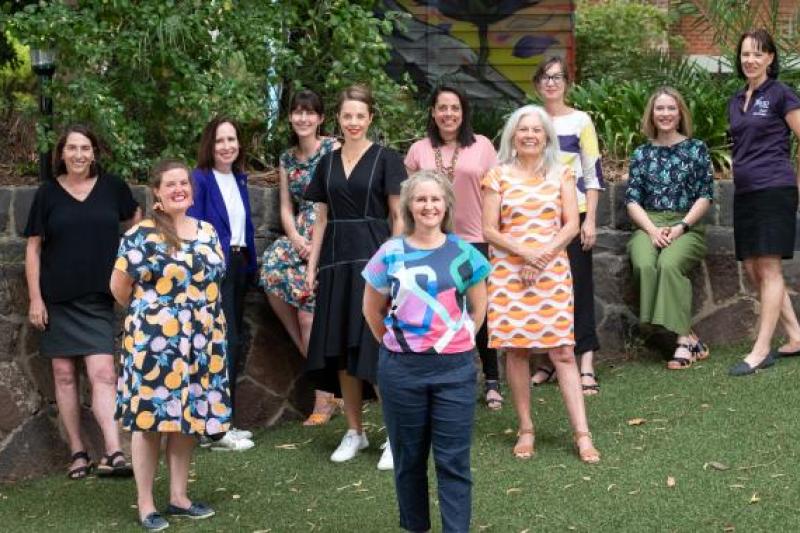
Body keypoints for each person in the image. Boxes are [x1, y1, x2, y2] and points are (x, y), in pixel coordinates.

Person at [363, 170, 490, 533]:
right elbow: (371, 311)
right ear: (409, 206)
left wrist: (456, 340)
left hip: (455, 372)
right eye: (421, 199)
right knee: (409, 461)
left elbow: (478, 309)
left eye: (435, 199)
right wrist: (399, 345)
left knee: (453, 462)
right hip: (401, 372)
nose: (429, 206)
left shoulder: (464, 252)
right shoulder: (390, 253)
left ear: (447, 204)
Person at [111, 159, 230, 530]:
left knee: (186, 419)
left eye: (184, 183)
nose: (179, 188)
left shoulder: (208, 231)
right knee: (149, 422)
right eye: (171, 184)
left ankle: (179, 497)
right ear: (157, 194)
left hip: (202, 339)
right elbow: (118, 288)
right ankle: (146, 504)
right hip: (154, 343)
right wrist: (157, 319)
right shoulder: (140, 235)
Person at [481, 105, 600, 463]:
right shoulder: (496, 175)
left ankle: (582, 434)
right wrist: (524, 255)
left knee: (563, 352)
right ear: (512, 136)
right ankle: (526, 428)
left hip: (551, 271)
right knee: (516, 351)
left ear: (546, 135)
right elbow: (489, 229)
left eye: (536, 129)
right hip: (509, 273)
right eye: (523, 129)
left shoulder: (562, 174)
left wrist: (542, 257)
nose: (530, 135)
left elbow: (570, 225)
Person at [24, 125, 140, 479]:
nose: (78, 155)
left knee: (104, 373)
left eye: (85, 148)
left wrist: (128, 268)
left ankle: (113, 450)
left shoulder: (112, 187)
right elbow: (33, 248)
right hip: (58, 299)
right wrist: (35, 299)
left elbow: (137, 224)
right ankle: (77, 451)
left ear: (94, 153)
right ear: (62, 153)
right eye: (72, 148)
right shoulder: (47, 193)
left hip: (98, 298)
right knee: (63, 375)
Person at [305, 84, 407, 468]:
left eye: (359, 116)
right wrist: (313, 266)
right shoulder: (326, 162)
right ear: (338, 119)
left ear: (370, 119)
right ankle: (355, 432)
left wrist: (394, 263)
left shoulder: (387, 158)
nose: (353, 122)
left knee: (378, 348)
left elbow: (398, 217)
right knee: (344, 351)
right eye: (347, 116)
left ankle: (396, 436)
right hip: (335, 262)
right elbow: (320, 218)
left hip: (376, 260)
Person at [404, 84, 503, 410]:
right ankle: (442, 377)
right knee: (438, 311)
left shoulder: (483, 146)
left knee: (479, 311)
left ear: (464, 113)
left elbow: (496, 195)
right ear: (433, 112)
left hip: (475, 239)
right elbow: (408, 201)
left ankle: (491, 380)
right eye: (442, 108)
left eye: (455, 108)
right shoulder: (418, 150)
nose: (448, 114)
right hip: (432, 242)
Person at [261, 90, 342, 426]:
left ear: (321, 118)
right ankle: (318, 368)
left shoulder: (332, 149)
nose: (303, 118)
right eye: (297, 112)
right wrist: (294, 237)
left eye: (310, 113)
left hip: (329, 231)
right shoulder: (286, 157)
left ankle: (325, 398)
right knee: (269, 271)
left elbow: (338, 196)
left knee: (309, 316)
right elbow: (285, 206)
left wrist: (314, 242)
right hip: (299, 235)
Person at [727, 29, 800, 376]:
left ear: (770, 57)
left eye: (757, 54)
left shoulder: (782, 94)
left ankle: (761, 349)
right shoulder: (736, 99)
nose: (750, 60)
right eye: (745, 54)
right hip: (745, 193)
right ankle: (797, 335)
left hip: (775, 189)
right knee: (753, 269)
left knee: (769, 269)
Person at [626, 87, 714, 369]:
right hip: (648, 224)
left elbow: (705, 195)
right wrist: (652, 230)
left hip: (687, 225)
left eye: (671, 109)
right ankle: (689, 333)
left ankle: (682, 342)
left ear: (680, 113)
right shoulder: (641, 153)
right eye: (659, 109)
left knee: (668, 264)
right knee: (644, 264)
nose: (665, 114)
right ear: (652, 113)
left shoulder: (696, 148)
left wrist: (681, 227)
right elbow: (632, 200)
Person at [532, 57, 604, 395]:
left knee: (579, 288)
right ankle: (548, 362)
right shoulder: (530, 120)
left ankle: (585, 364)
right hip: (537, 220)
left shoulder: (581, 121)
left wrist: (590, 219)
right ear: (537, 84)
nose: (551, 83)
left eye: (558, 77)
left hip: (573, 217)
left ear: (567, 83)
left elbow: (593, 174)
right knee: (545, 291)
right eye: (545, 78)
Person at [188, 116, 255, 448]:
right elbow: (193, 227)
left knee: (233, 341)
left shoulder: (239, 179)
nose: (227, 146)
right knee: (221, 343)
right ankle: (213, 428)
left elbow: (244, 228)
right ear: (209, 146)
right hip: (214, 270)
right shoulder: (199, 180)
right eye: (219, 141)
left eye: (232, 139)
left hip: (239, 266)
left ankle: (222, 420)